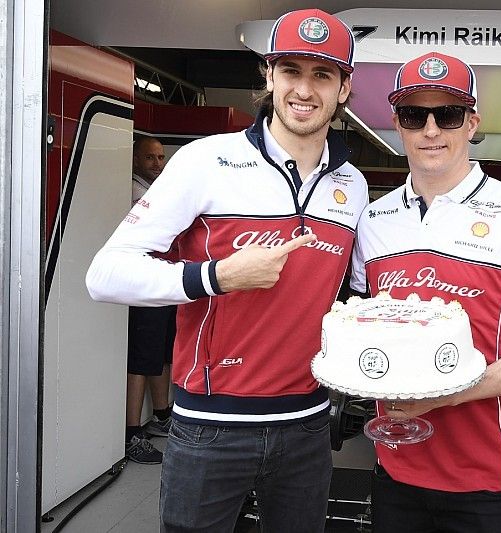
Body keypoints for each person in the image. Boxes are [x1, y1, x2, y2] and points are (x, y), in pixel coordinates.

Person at [86, 9, 368, 532]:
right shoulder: (205, 160)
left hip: (307, 425)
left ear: (344, 88)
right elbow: (105, 275)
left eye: (323, 75)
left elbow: (341, 296)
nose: (304, 89)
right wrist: (213, 277)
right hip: (211, 427)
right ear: (268, 76)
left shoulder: (351, 183)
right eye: (291, 71)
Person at [350, 51, 501, 532]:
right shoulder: (375, 220)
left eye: (446, 114)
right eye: (414, 115)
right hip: (396, 468)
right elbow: (367, 331)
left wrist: (442, 397)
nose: (431, 130)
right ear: (397, 124)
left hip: (489, 478)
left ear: (472, 122)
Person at [125, 135, 175, 465]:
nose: (156, 164)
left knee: (160, 354)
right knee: (142, 360)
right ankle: (132, 434)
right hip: (142, 286)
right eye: (149, 158)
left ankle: (161, 416)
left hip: (163, 284)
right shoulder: (134, 191)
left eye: (160, 158)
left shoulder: (154, 190)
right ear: (135, 160)